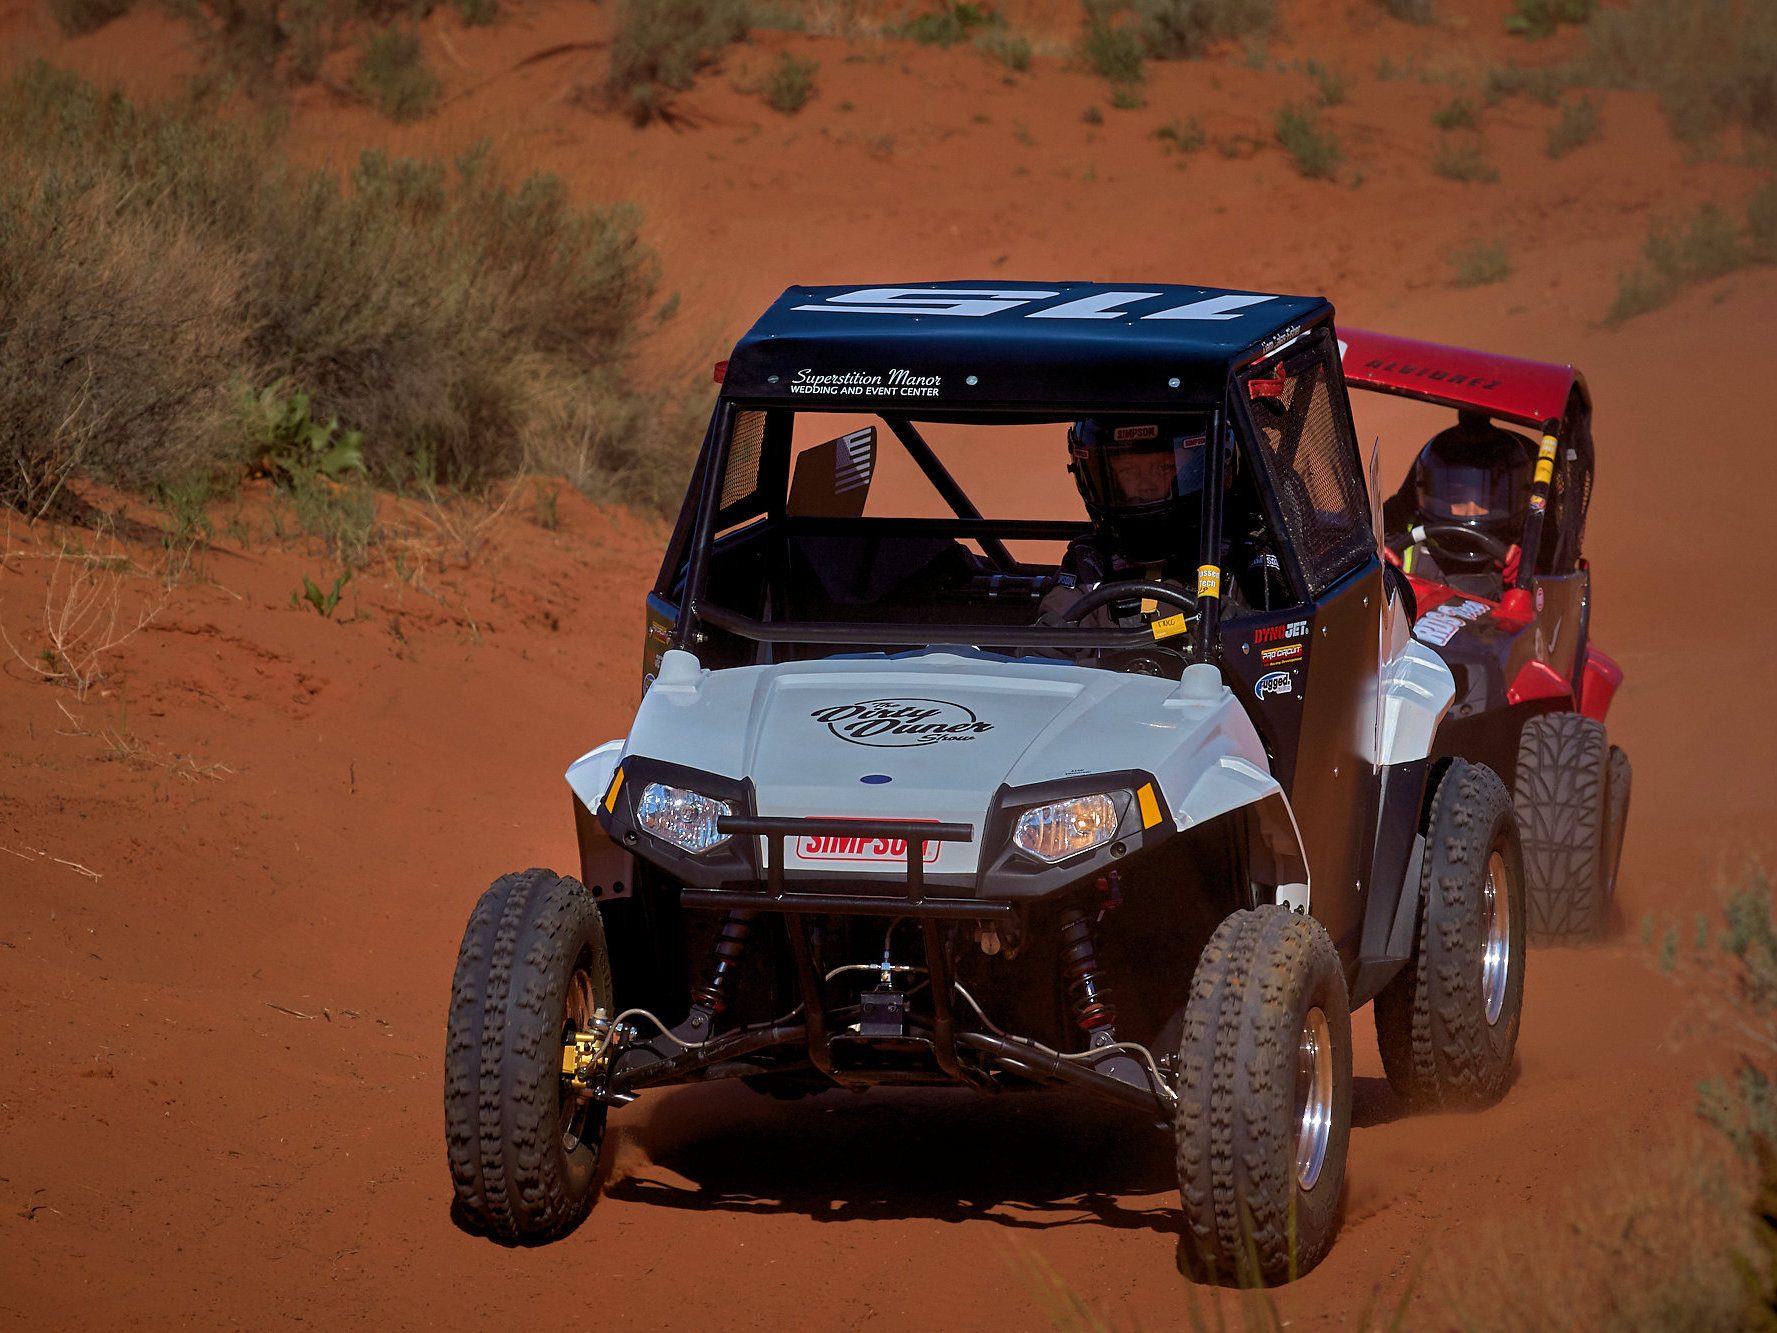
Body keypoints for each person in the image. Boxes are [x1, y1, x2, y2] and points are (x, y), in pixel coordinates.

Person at [1383, 409, 1534, 597]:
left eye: (1487, 500)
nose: (1471, 509)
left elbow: (1551, 606)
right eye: (1456, 497)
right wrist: (1375, 563)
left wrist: (1529, 580)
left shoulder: (1523, 557)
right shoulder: (1400, 544)